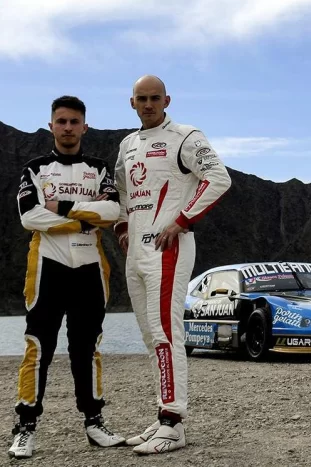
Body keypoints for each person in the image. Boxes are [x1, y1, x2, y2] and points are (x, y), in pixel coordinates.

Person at [114, 75, 231, 455]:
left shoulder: (185, 136)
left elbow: (217, 178)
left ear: (167, 100)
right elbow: (121, 190)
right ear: (132, 103)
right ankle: (163, 413)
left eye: (154, 98)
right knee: (152, 338)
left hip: (169, 247)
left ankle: (174, 423)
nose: (148, 104)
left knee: (166, 332)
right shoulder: (128, 145)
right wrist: (121, 226)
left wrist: (181, 220)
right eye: (141, 99)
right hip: (136, 253)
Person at [9, 96, 126, 459]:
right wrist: (82, 218)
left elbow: (112, 210)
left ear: (84, 126)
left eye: (74, 121)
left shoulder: (99, 168)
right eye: (61, 121)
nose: (68, 128)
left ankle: (94, 423)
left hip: (91, 266)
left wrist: (60, 208)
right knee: (38, 346)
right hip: (47, 264)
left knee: (87, 348)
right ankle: (25, 427)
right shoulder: (36, 168)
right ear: (51, 126)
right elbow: (30, 217)